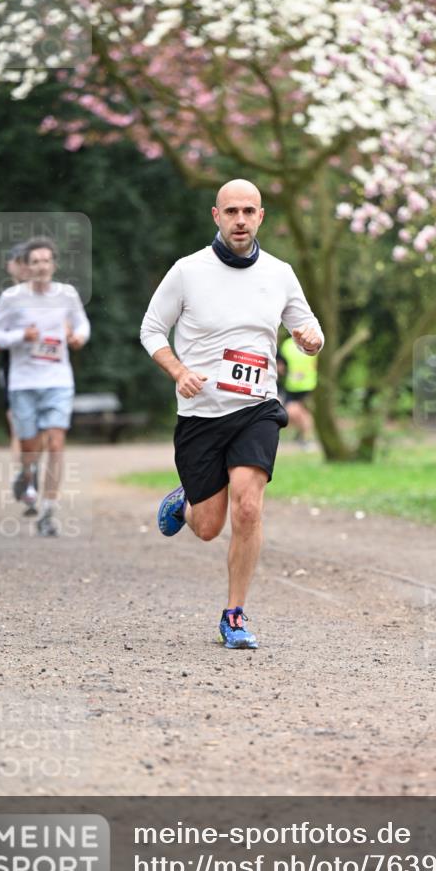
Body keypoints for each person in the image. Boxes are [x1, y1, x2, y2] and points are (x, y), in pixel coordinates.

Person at [140, 178, 323, 649]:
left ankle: (235, 615)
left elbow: (308, 324)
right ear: (216, 216)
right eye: (231, 211)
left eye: (249, 211)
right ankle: (185, 502)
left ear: (261, 217)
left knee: (248, 506)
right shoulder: (187, 271)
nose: (240, 220)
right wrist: (178, 370)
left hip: (256, 408)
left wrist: (310, 338)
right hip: (201, 413)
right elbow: (152, 330)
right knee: (207, 527)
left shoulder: (280, 272)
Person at [0, 238, 90, 537]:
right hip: (23, 383)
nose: (42, 266)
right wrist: (20, 336)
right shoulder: (11, 298)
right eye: (36, 262)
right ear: (26, 267)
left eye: (46, 261)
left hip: (58, 380)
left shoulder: (67, 295)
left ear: (54, 265)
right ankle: (27, 472)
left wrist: (78, 337)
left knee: (56, 442)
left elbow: (82, 324)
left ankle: (48, 511)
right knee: (30, 447)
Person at [0, 242, 30, 455]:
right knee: (17, 426)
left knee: (46, 432)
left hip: (46, 369)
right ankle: (25, 480)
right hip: (12, 369)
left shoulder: (49, 296)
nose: (22, 266)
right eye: (17, 261)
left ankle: (36, 478)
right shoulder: (4, 299)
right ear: (9, 266)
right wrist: (21, 336)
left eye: (25, 261)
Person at [277, 335, 318, 448]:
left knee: (304, 414)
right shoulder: (288, 345)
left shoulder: (312, 341)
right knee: (294, 412)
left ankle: (306, 439)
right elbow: (281, 366)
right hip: (292, 386)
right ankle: (303, 437)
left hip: (308, 385)